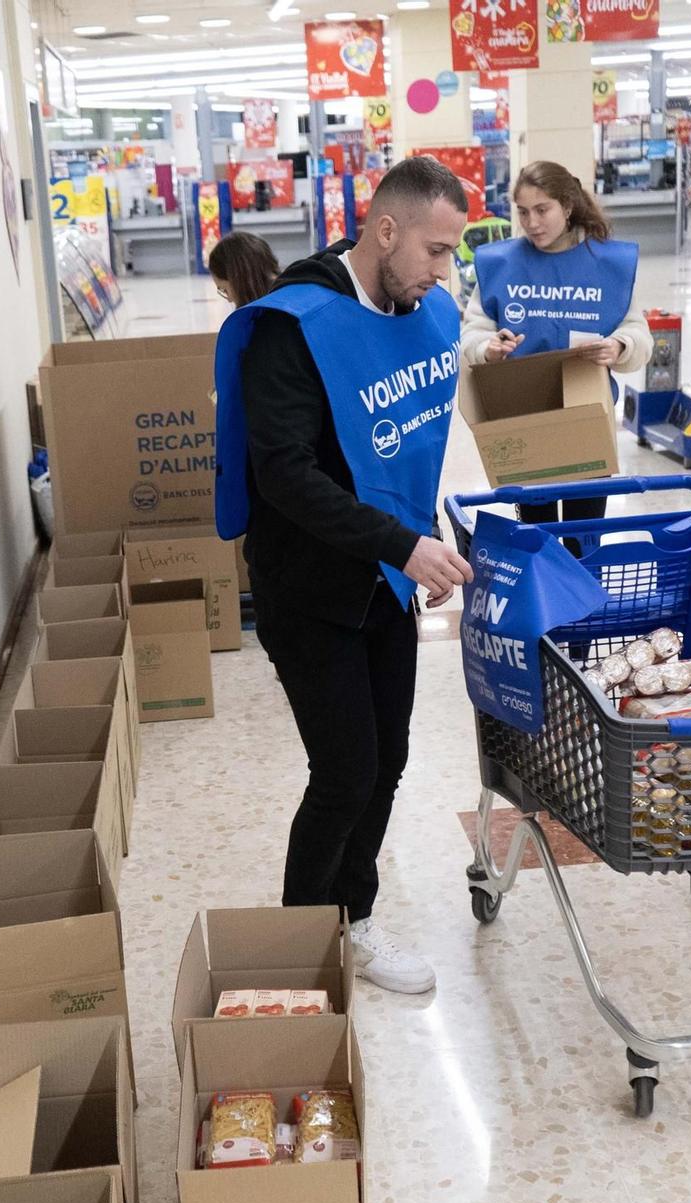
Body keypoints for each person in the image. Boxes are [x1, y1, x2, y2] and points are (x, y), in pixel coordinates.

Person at [212, 157, 475, 994]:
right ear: (385, 230)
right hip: (309, 589)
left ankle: (354, 919)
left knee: (389, 756)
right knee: (346, 769)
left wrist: (418, 545)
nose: (443, 274)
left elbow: (404, 442)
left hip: (385, 587)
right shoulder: (293, 328)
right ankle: (299, 944)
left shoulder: (418, 313)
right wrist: (401, 544)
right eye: (435, 251)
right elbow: (285, 475)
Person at [460, 160, 652, 530]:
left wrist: (619, 347)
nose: (532, 222)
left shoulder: (607, 265)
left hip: (588, 418)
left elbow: (639, 334)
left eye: (542, 210)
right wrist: (488, 347)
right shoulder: (501, 264)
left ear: (567, 206)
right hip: (523, 421)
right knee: (538, 535)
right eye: (523, 212)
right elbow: (471, 333)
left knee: (584, 537)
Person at [207, 230, 280, 308]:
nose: (230, 300)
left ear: (240, 281)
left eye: (225, 290)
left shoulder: (269, 314)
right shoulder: (288, 291)